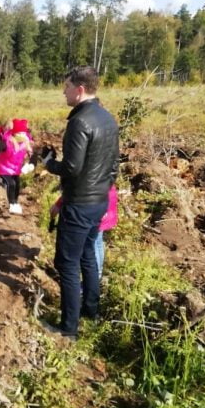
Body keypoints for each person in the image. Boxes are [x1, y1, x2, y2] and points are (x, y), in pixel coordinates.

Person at [41, 66, 119, 339]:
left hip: (80, 204)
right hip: (99, 201)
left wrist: (49, 164)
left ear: (80, 89)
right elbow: (113, 166)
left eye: (66, 86)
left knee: (67, 263)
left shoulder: (80, 122)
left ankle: (68, 328)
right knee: (87, 255)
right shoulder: (107, 118)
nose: (63, 91)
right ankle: (91, 311)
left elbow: (72, 168)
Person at [50, 184, 118, 280]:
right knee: (97, 242)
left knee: (92, 244)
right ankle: (97, 273)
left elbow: (78, 186)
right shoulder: (106, 174)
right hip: (104, 203)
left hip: (96, 206)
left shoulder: (90, 174)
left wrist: (59, 203)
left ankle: (95, 275)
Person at [0, 118, 32, 215]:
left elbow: (32, 154)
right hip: (3, 168)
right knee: (11, 184)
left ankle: (15, 202)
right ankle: (11, 204)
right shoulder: (7, 141)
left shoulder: (25, 142)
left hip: (15, 169)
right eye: (20, 134)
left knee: (17, 184)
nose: (22, 136)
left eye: (24, 134)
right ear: (15, 133)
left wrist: (30, 164)